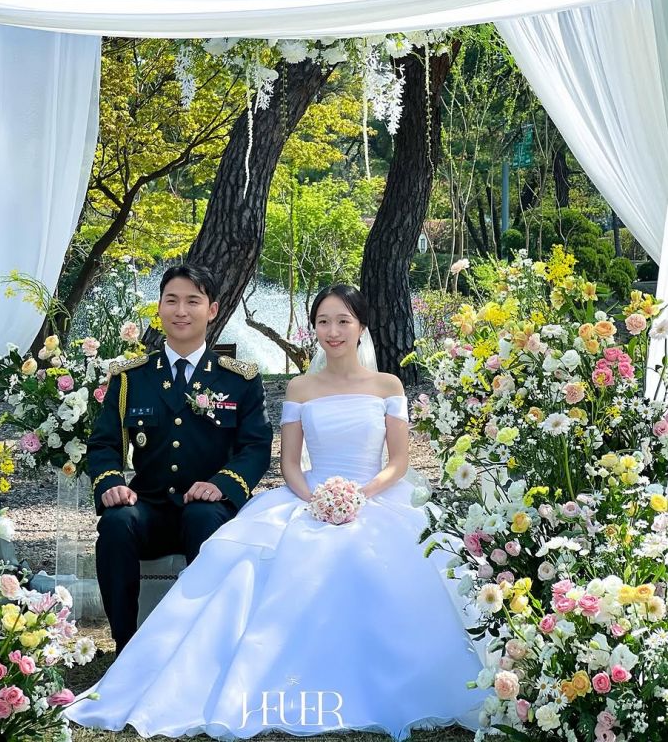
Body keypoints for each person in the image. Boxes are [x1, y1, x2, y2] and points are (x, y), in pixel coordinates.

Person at [69, 283, 484, 738]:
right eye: (323, 322)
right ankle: (141, 651)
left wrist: (358, 496)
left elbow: (398, 462)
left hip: (375, 496)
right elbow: (288, 464)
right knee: (228, 555)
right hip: (305, 495)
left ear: (362, 327)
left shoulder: (387, 385)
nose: (333, 331)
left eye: (343, 321)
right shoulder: (298, 387)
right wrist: (317, 499)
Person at [87, 262, 273, 654]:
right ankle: (126, 648)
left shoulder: (238, 378)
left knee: (202, 517)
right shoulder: (131, 377)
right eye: (171, 300)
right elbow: (104, 444)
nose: (181, 310)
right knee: (116, 524)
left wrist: (221, 485)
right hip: (150, 506)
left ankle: (204, 649)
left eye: (193, 301)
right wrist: (112, 484)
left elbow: (255, 446)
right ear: (159, 308)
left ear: (213, 309)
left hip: (210, 509)